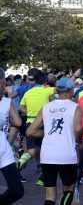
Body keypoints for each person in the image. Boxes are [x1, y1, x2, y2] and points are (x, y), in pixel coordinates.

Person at [27, 77, 83, 205]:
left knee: (49, 195)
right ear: (71, 91)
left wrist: (46, 133)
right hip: (67, 155)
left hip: (47, 155)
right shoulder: (75, 107)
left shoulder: (46, 107)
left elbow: (30, 131)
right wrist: (79, 140)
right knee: (68, 190)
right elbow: (78, 128)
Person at [18, 70, 55, 185]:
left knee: (33, 149)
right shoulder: (49, 90)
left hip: (29, 123)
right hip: (43, 123)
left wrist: (30, 112)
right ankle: (42, 178)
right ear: (43, 80)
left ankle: (23, 158)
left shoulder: (28, 93)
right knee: (45, 151)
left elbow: (22, 108)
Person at [0, 68, 24, 204]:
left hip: (4, 150)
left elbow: (18, 122)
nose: (4, 84)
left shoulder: (6, 102)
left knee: (17, 190)